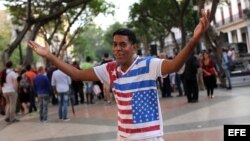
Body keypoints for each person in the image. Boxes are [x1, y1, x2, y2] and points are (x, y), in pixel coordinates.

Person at [28, 9, 209, 141]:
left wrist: (193, 40)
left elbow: (175, 65)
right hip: (123, 137)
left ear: (134, 47)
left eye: (123, 44)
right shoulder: (110, 69)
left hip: (149, 137)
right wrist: (50, 56)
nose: (117, 49)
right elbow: (76, 74)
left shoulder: (149, 65)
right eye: (115, 44)